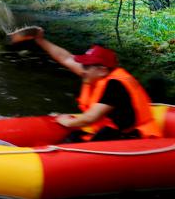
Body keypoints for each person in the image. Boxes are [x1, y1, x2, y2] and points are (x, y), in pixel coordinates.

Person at [8, 26, 161, 141]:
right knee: (75, 136)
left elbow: (90, 119)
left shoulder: (115, 86)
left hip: (138, 138)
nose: (83, 69)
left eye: (87, 66)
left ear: (101, 69)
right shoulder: (97, 74)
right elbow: (66, 58)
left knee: (94, 134)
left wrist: (64, 121)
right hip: (112, 130)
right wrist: (41, 40)